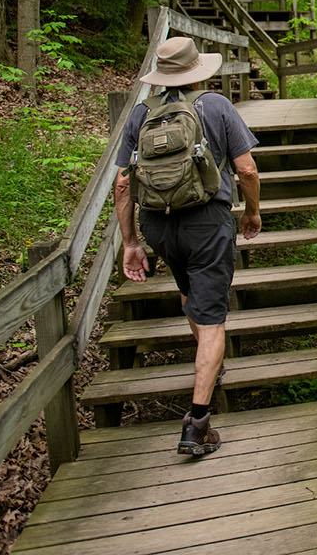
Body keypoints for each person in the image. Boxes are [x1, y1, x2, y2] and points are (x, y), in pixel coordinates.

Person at [112, 36, 262, 455]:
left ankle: (206, 365)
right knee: (213, 319)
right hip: (206, 222)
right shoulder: (215, 106)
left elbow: (124, 183)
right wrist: (251, 213)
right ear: (198, 70)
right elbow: (246, 169)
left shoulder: (141, 113)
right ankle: (197, 423)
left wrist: (130, 243)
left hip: (159, 225)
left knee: (189, 297)